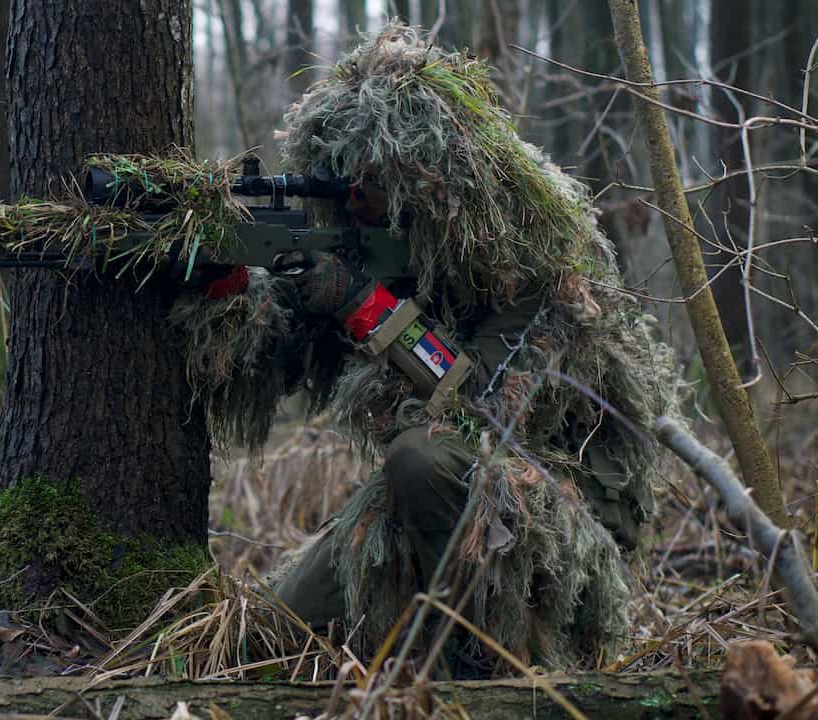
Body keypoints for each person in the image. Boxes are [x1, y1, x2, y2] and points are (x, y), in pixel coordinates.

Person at [172, 23, 677, 673]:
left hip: (556, 521)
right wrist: (229, 284)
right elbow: (272, 362)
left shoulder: (537, 260)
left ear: (430, 179)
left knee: (422, 458)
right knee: (260, 641)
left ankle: (490, 670)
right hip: (421, 509)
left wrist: (361, 303)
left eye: (373, 183)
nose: (355, 200)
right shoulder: (368, 240)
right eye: (344, 181)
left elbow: (478, 405)